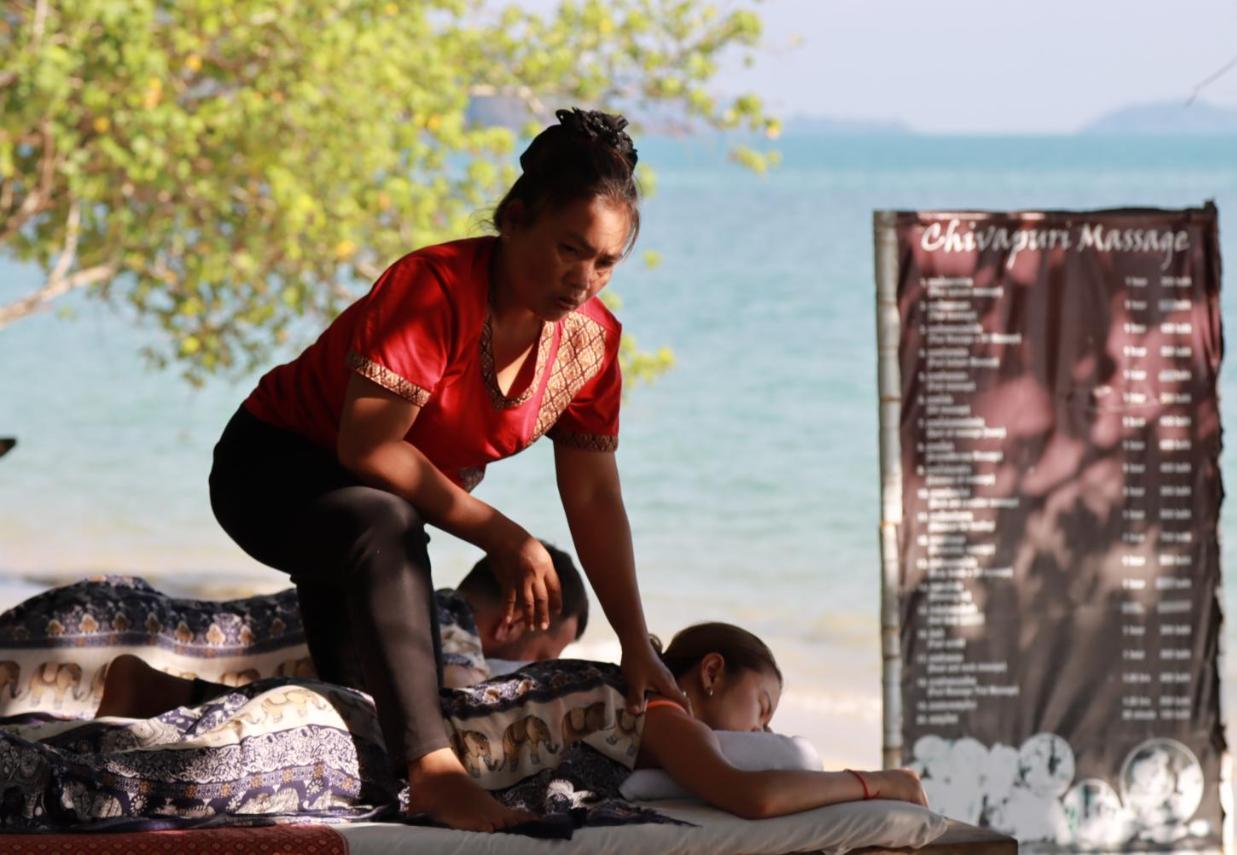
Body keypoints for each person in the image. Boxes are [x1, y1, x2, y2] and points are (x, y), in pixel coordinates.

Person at [205, 106, 685, 831]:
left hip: (374, 516)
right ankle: (436, 777)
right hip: (273, 469)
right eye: (568, 248)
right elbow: (368, 447)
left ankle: (150, 689)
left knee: (361, 719)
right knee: (387, 528)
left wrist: (633, 638)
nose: (583, 278)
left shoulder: (592, 344)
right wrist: (505, 536)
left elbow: (593, 496)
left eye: (606, 262)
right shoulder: (433, 289)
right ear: (513, 219)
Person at [93, 622, 928, 824]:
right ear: (710, 673)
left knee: (162, 758)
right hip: (353, 743)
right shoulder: (659, 704)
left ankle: (148, 683)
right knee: (113, 779)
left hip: (361, 728)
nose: (760, 726)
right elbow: (744, 794)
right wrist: (876, 781)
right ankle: (141, 691)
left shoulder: (613, 692)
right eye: (762, 708)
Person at [441, 540, 590, 688]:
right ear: (509, 627)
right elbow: (458, 688)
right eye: (542, 660)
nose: (540, 672)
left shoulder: (428, 606)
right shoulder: (454, 640)